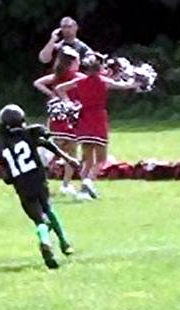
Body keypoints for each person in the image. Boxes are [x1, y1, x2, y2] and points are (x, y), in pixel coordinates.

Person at [0, 104, 79, 269]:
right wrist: (67, 158)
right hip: (38, 179)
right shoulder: (30, 133)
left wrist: (5, 169)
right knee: (48, 208)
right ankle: (64, 242)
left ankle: (45, 240)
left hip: (21, 185)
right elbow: (45, 141)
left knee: (39, 219)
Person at [54, 54, 139, 201]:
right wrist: (137, 82)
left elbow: (60, 88)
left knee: (88, 159)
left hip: (83, 119)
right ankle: (88, 182)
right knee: (101, 159)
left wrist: (69, 104)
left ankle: (83, 192)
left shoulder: (79, 81)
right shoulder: (103, 81)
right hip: (98, 119)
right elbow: (123, 86)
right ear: (100, 68)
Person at [32, 47, 85, 196]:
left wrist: (52, 95)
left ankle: (55, 180)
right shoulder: (77, 77)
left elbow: (38, 83)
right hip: (68, 117)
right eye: (77, 61)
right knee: (68, 149)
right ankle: (64, 183)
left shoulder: (57, 76)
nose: (79, 63)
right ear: (71, 63)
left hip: (59, 117)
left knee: (61, 149)